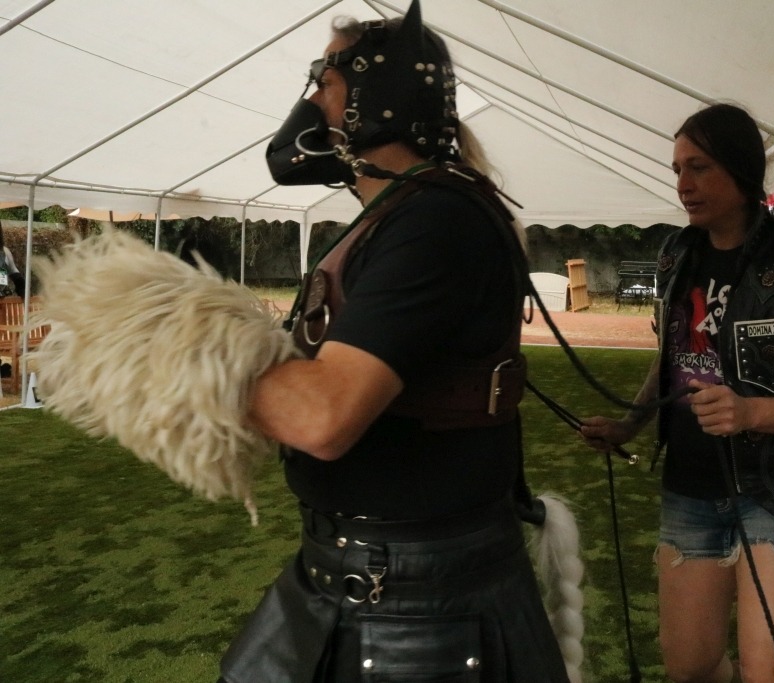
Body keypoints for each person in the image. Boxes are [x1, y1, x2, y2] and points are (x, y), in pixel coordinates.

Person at [217, 2, 574, 682]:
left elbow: (323, 418)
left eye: (324, 79)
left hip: (416, 601)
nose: (310, 100)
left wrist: (174, 350)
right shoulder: (403, 214)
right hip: (361, 572)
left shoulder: (434, 220)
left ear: (375, 96)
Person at [580, 103, 774, 683]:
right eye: (677, 169)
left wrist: (750, 410)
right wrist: (630, 424)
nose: (683, 184)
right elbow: (674, 360)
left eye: (699, 167)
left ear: (741, 168)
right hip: (690, 487)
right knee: (691, 665)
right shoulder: (676, 254)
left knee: (766, 669)